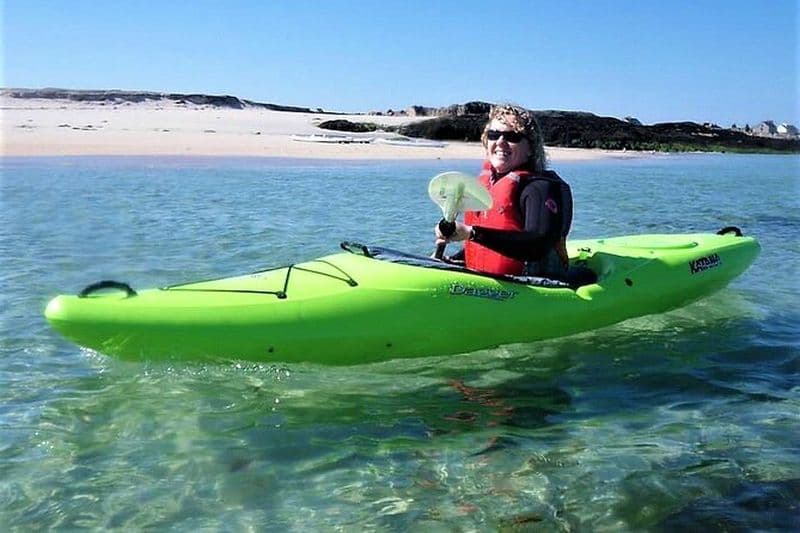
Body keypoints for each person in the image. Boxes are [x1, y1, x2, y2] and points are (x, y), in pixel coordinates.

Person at [435, 104, 573, 279]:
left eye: (512, 136)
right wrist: (453, 250)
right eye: (494, 135)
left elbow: (538, 244)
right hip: (486, 282)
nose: (500, 142)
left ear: (530, 148)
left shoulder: (540, 188)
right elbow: (492, 243)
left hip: (532, 287)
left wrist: (472, 233)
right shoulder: (486, 184)